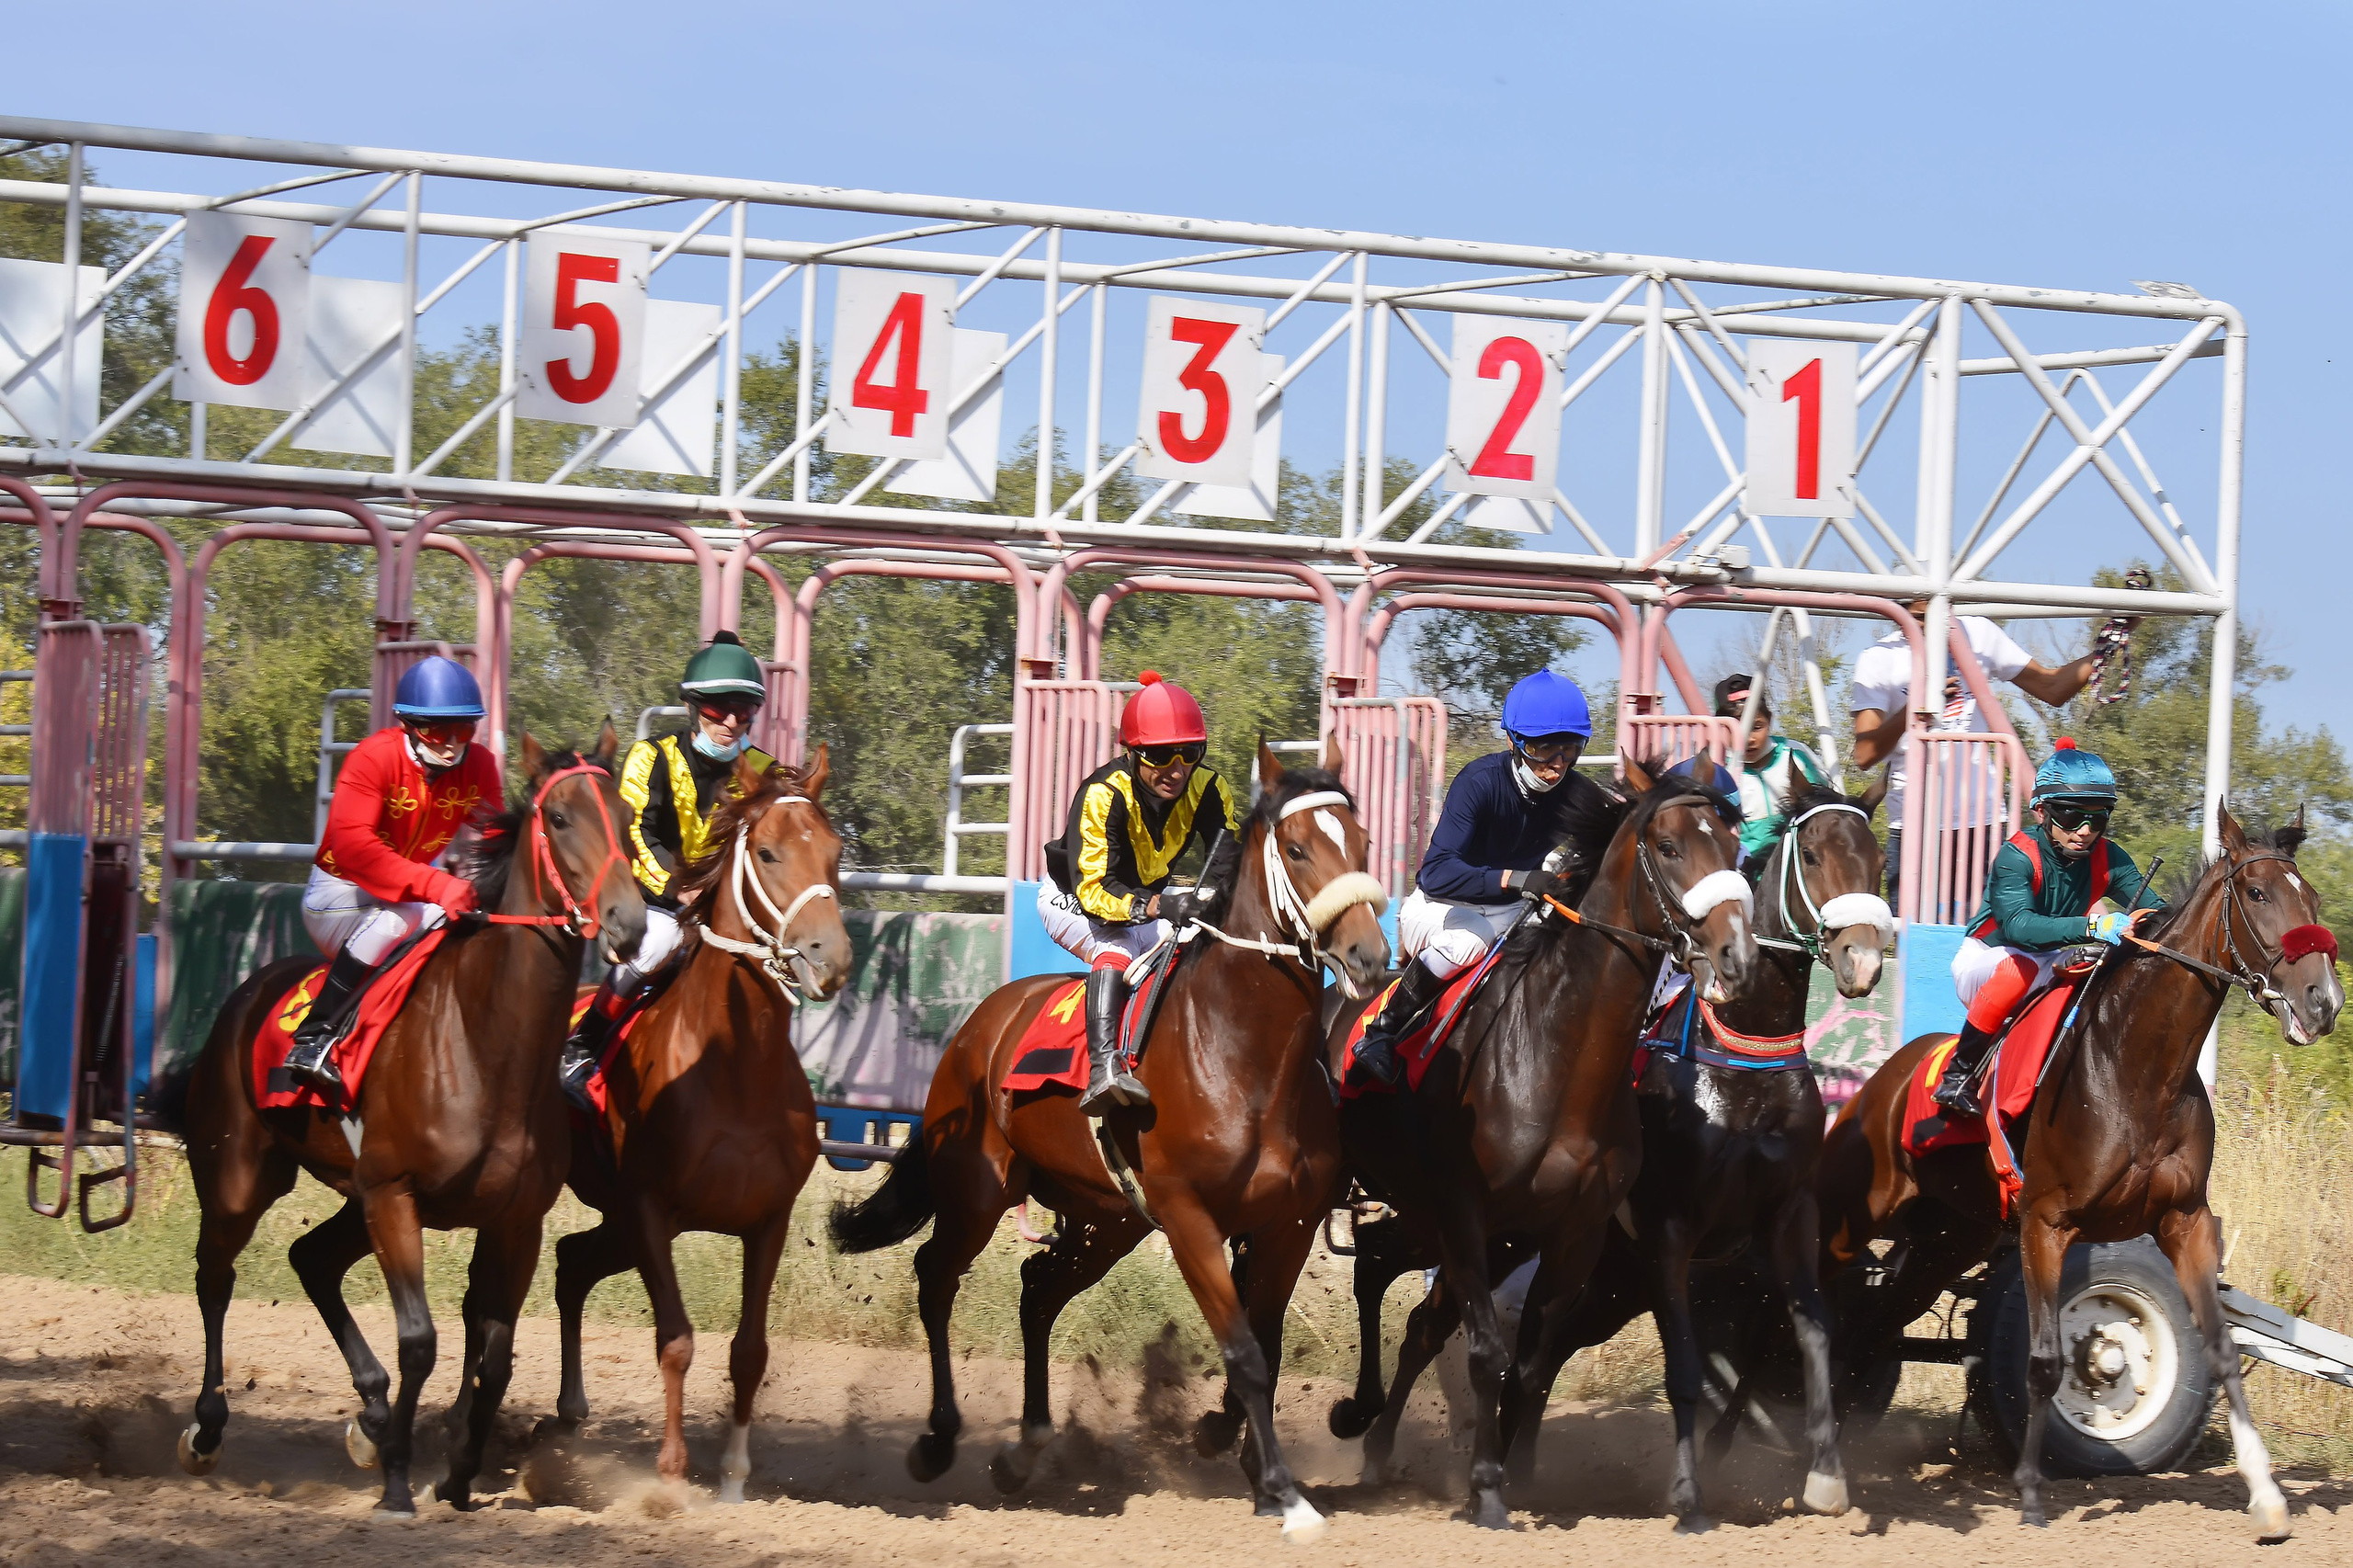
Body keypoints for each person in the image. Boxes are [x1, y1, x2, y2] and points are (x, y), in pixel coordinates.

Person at [1346, 669, 1606, 1091]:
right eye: (1544, 749)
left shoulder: (1578, 793)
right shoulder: (1479, 782)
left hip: (1516, 911)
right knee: (1472, 940)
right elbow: (1435, 873)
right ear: (1514, 741)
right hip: (1440, 909)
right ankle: (1382, 1032)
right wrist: (1517, 879)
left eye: (1570, 750)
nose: (1558, 765)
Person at [558, 631, 777, 1108]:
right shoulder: (650, 755)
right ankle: (582, 1047)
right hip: (660, 904)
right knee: (659, 941)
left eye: (745, 710)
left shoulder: (765, 771)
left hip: (730, 912)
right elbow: (638, 831)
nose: (733, 721)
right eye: (720, 709)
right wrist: (681, 891)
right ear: (695, 706)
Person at [287, 655, 503, 1098]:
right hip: (339, 892)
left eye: (464, 731)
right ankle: (313, 1037)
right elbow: (354, 850)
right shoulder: (373, 758)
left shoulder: (478, 765)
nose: (451, 745)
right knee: (399, 919)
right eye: (437, 731)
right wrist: (440, 885)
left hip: (412, 895)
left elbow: (499, 834)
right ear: (408, 725)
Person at [1039, 671, 1240, 1115]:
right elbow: (1095, 893)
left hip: (1149, 895)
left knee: (1199, 946)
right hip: (1074, 897)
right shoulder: (1102, 794)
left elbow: (1225, 860)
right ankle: (1104, 1069)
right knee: (1119, 944)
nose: (1176, 769)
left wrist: (1205, 900)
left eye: (1189, 753)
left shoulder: (1210, 788)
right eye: (1160, 754)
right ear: (1133, 753)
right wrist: (1160, 904)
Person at [1932, 738, 2162, 1118]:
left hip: (2052, 957)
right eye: (2072, 817)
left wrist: (2154, 921)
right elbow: (2020, 928)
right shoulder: (2016, 855)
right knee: (2017, 969)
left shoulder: (2110, 856)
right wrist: (2094, 925)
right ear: (2042, 812)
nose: (2086, 830)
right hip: (1991, 958)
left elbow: (2156, 908)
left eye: (2098, 817)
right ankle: (1958, 1076)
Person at [1849, 603, 2125, 908]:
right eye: (1916, 618)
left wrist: (2112, 641)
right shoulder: (1878, 658)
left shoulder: (1976, 633)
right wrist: (1916, 706)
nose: (1927, 625)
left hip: (1985, 826)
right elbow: (1864, 754)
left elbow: (2053, 687)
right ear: (1898, 612)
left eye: (1936, 614)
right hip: (1918, 829)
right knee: (1921, 945)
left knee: (1997, 943)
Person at [1713, 672, 1828, 873]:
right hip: (1740, 872)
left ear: (1769, 721)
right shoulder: (1718, 768)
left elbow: (1824, 808)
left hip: (1795, 870)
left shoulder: (1795, 754)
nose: (1748, 738)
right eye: (1736, 730)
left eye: (1756, 727)